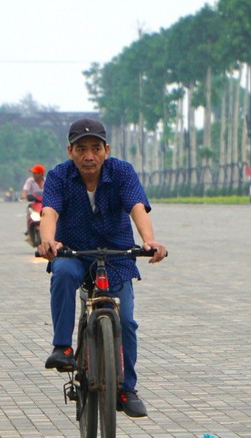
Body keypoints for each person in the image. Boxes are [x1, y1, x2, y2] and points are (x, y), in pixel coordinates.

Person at [36, 118, 167, 418]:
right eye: (81, 149)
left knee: (127, 321)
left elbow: (137, 206)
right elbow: (49, 211)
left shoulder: (122, 172)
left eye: (96, 148)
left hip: (117, 254)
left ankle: (126, 388)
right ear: (70, 151)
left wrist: (149, 241)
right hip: (74, 251)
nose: (89, 156)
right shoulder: (58, 176)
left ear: (106, 150)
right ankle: (62, 348)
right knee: (64, 273)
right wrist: (48, 242)